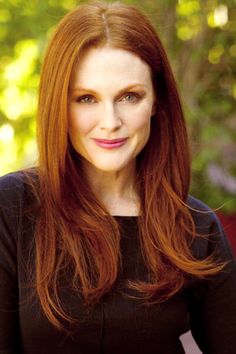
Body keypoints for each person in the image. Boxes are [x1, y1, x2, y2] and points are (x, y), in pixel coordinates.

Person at [0, 1, 235, 353]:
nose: (110, 121)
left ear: (157, 100)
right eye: (86, 98)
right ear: (58, 105)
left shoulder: (195, 227)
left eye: (129, 96)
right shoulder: (12, 207)